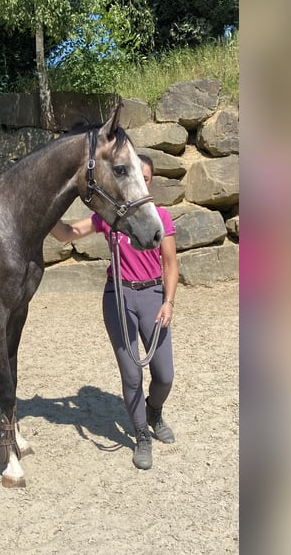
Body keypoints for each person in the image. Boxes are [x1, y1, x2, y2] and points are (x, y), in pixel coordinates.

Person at [50, 155, 179, 470]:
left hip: (152, 295)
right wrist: (44, 213)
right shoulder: (110, 217)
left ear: (149, 181)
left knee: (164, 375)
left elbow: (171, 264)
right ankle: (141, 437)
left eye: (147, 178)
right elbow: (67, 233)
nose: (143, 182)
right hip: (118, 296)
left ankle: (154, 411)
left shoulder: (160, 216)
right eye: (139, 177)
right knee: (132, 374)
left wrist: (169, 301)